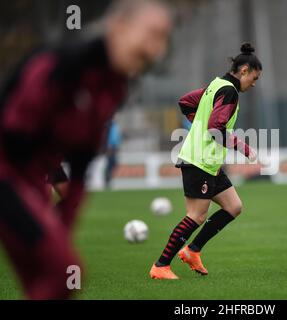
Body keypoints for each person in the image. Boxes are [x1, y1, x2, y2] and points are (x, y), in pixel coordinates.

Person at [0, 0, 172, 299]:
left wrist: (61, 230)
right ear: (118, 27)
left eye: (164, 39)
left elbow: (80, 168)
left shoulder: (114, 88)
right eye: (152, 35)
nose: (157, 50)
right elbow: (15, 135)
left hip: (26, 181)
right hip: (6, 175)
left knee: (57, 276)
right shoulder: (60, 66)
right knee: (62, 271)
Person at [150, 43, 261, 280]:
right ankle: (160, 266)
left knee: (233, 207)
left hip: (209, 163)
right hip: (199, 160)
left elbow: (186, 102)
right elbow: (214, 128)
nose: (254, 83)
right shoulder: (229, 91)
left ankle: (193, 250)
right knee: (196, 216)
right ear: (244, 70)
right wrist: (243, 148)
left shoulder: (215, 85)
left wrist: (199, 123)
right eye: (254, 77)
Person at [104, 119, 122, 189]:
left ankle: (108, 178)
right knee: (110, 163)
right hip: (110, 147)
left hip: (114, 147)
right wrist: (108, 146)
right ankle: (107, 179)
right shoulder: (109, 125)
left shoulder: (115, 125)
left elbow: (117, 137)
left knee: (114, 163)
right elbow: (109, 137)